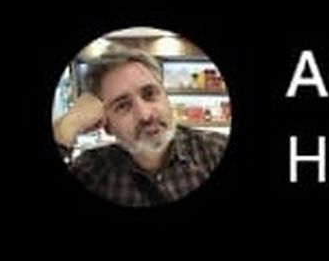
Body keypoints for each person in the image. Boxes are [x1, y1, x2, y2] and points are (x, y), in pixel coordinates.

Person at [54, 44, 227, 206]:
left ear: (167, 98)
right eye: (123, 105)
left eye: (150, 94)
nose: (145, 115)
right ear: (106, 125)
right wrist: (67, 126)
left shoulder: (215, 151)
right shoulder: (91, 172)